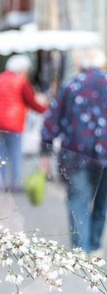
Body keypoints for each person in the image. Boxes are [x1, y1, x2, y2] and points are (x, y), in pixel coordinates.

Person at [41, 48, 107, 254]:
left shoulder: (71, 85)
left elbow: (51, 121)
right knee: (102, 202)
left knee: (78, 202)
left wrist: (45, 152)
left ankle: (81, 250)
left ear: (81, 66)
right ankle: (95, 245)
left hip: (76, 155)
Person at [0, 54, 47, 191]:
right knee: (16, 152)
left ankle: (1, 183)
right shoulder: (20, 81)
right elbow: (31, 101)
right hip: (13, 123)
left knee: (2, 153)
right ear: (21, 69)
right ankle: (15, 183)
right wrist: (46, 109)